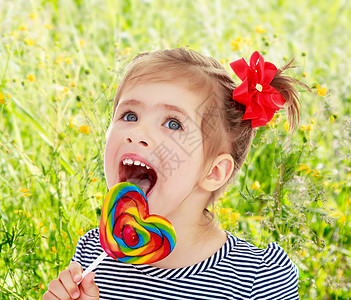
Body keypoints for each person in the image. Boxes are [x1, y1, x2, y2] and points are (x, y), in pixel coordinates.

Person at [43, 48, 305, 300]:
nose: (137, 133)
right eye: (130, 115)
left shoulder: (257, 278)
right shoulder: (94, 254)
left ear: (213, 172)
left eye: (173, 123)